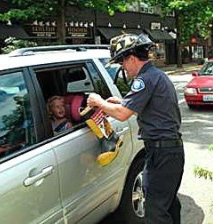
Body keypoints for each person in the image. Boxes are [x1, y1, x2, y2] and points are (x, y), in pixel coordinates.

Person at [87, 33, 185, 224]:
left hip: (161, 153)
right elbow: (147, 107)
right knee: (168, 204)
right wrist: (121, 102)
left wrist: (98, 102)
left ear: (131, 58)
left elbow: (123, 114)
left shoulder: (144, 79)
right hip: (170, 152)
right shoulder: (156, 75)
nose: (122, 67)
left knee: (155, 211)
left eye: (122, 62)